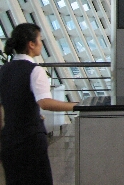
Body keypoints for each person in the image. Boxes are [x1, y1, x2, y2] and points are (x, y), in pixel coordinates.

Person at [0, 23, 78, 185]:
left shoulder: (4, 70)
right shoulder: (35, 71)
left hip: (9, 139)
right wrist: (75, 106)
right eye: (40, 39)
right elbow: (44, 102)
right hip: (30, 139)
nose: (42, 44)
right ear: (31, 44)